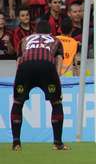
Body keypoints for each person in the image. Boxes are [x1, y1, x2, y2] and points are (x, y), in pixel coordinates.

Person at [10, 19, 67, 151]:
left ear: (35, 31)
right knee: (56, 102)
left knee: (18, 103)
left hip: (25, 68)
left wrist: (18, 80)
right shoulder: (55, 40)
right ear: (50, 32)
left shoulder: (24, 40)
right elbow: (58, 60)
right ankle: (57, 143)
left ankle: (16, 143)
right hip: (47, 67)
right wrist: (56, 80)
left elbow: (19, 61)